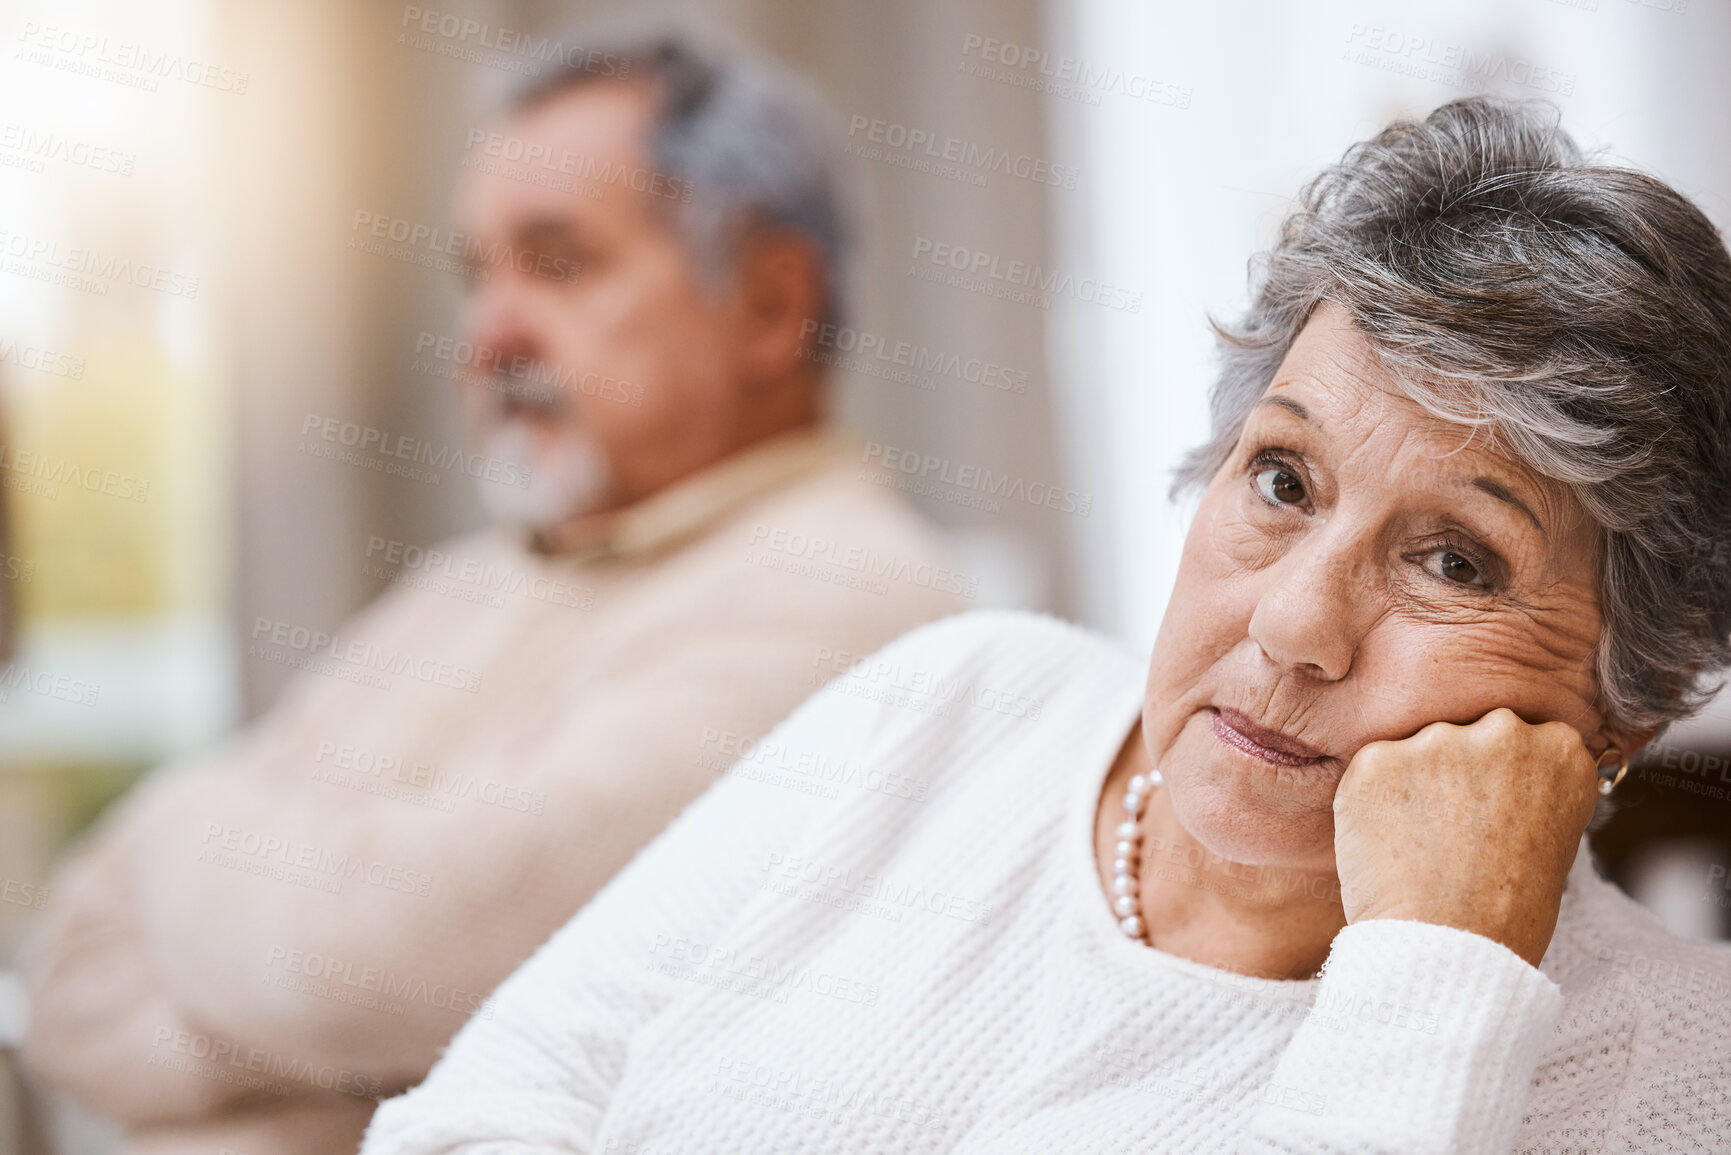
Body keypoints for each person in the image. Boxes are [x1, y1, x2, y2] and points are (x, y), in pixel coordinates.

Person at [361, 96, 1731, 1154]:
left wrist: (1435, 987)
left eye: (1452, 559)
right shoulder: (964, 698)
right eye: (1279, 477)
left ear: (1629, 686)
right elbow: (470, 1115)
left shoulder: (1669, 1076)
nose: (1296, 619)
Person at [19, 27, 965, 1155]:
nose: (487, 335)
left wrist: (181, 853)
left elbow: (367, 961)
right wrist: (341, 1034)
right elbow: (69, 967)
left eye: (559, 262)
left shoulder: (854, 596)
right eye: (478, 275)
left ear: (770, 305)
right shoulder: (472, 586)